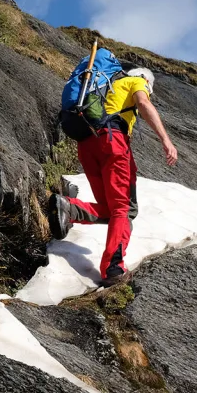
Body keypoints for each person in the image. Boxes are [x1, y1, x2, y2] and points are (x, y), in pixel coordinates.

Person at [49, 66, 177, 287]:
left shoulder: (105, 85)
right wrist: (166, 140)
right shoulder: (136, 82)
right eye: (150, 88)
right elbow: (144, 103)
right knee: (123, 209)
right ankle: (113, 268)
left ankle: (69, 207)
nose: (148, 91)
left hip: (87, 144)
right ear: (145, 79)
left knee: (111, 208)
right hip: (113, 142)